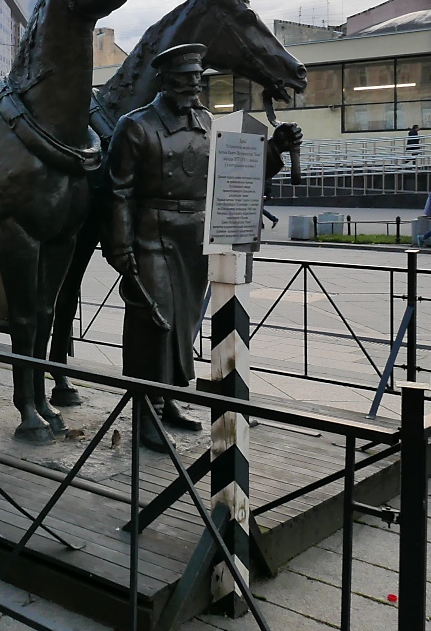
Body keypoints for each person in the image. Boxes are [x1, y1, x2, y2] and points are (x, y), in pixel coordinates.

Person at [102, 43, 301, 450]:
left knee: (183, 326)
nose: (193, 87)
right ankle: (145, 414)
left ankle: (167, 400)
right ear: (164, 80)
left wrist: (275, 148)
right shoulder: (136, 125)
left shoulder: (207, 122)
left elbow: (235, 171)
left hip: (194, 239)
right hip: (151, 237)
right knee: (153, 325)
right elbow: (117, 191)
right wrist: (119, 249)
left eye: (197, 80)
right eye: (184, 80)